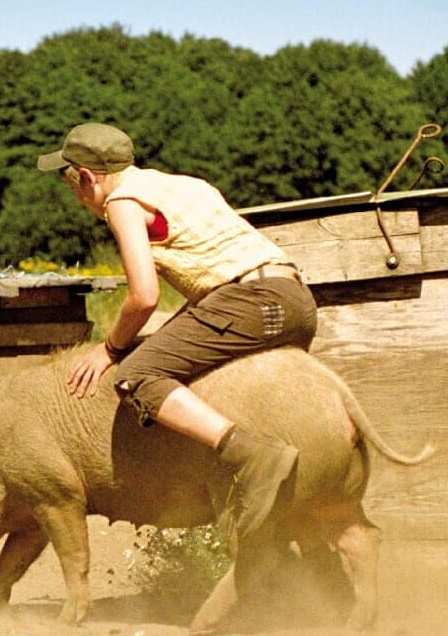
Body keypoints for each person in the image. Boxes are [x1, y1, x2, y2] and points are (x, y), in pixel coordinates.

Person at [40, 122, 319, 542]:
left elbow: (143, 296)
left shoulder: (122, 202)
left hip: (252, 299)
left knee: (139, 376)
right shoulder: (185, 185)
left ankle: (252, 456)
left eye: (72, 187)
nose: (77, 199)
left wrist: (111, 351)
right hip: (294, 300)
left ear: (86, 178)